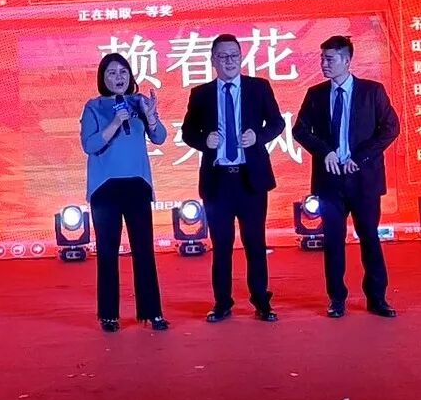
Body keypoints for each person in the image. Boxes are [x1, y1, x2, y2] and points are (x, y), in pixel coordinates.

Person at [292, 35, 400, 318]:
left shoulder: (372, 92)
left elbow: (390, 128)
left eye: (329, 59)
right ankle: (337, 299)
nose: (324, 64)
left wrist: (360, 157)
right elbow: (299, 130)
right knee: (333, 241)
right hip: (330, 180)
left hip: (363, 179)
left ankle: (377, 298)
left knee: (369, 238)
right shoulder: (315, 94)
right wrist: (324, 152)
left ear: (347, 61)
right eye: (322, 59)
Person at [182, 34, 285, 323]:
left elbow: (277, 123)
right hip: (218, 182)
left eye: (234, 56)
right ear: (213, 61)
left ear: (241, 58)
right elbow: (188, 132)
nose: (229, 61)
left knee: (255, 243)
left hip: (250, 180)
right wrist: (205, 141)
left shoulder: (258, 88)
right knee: (222, 245)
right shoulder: (201, 94)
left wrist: (258, 136)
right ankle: (222, 303)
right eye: (223, 56)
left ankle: (262, 302)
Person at [80, 53, 169, 333]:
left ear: (130, 76)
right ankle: (109, 315)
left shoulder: (139, 102)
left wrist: (151, 118)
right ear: (102, 78)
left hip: (137, 185)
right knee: (108, 251)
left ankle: (152, 313)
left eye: (122, 72)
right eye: (111, 73)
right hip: (105, 188)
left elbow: (160, 137)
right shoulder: (94, 107)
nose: (118, 77)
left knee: (144, 250)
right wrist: (115, 122)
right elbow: (90, 145)